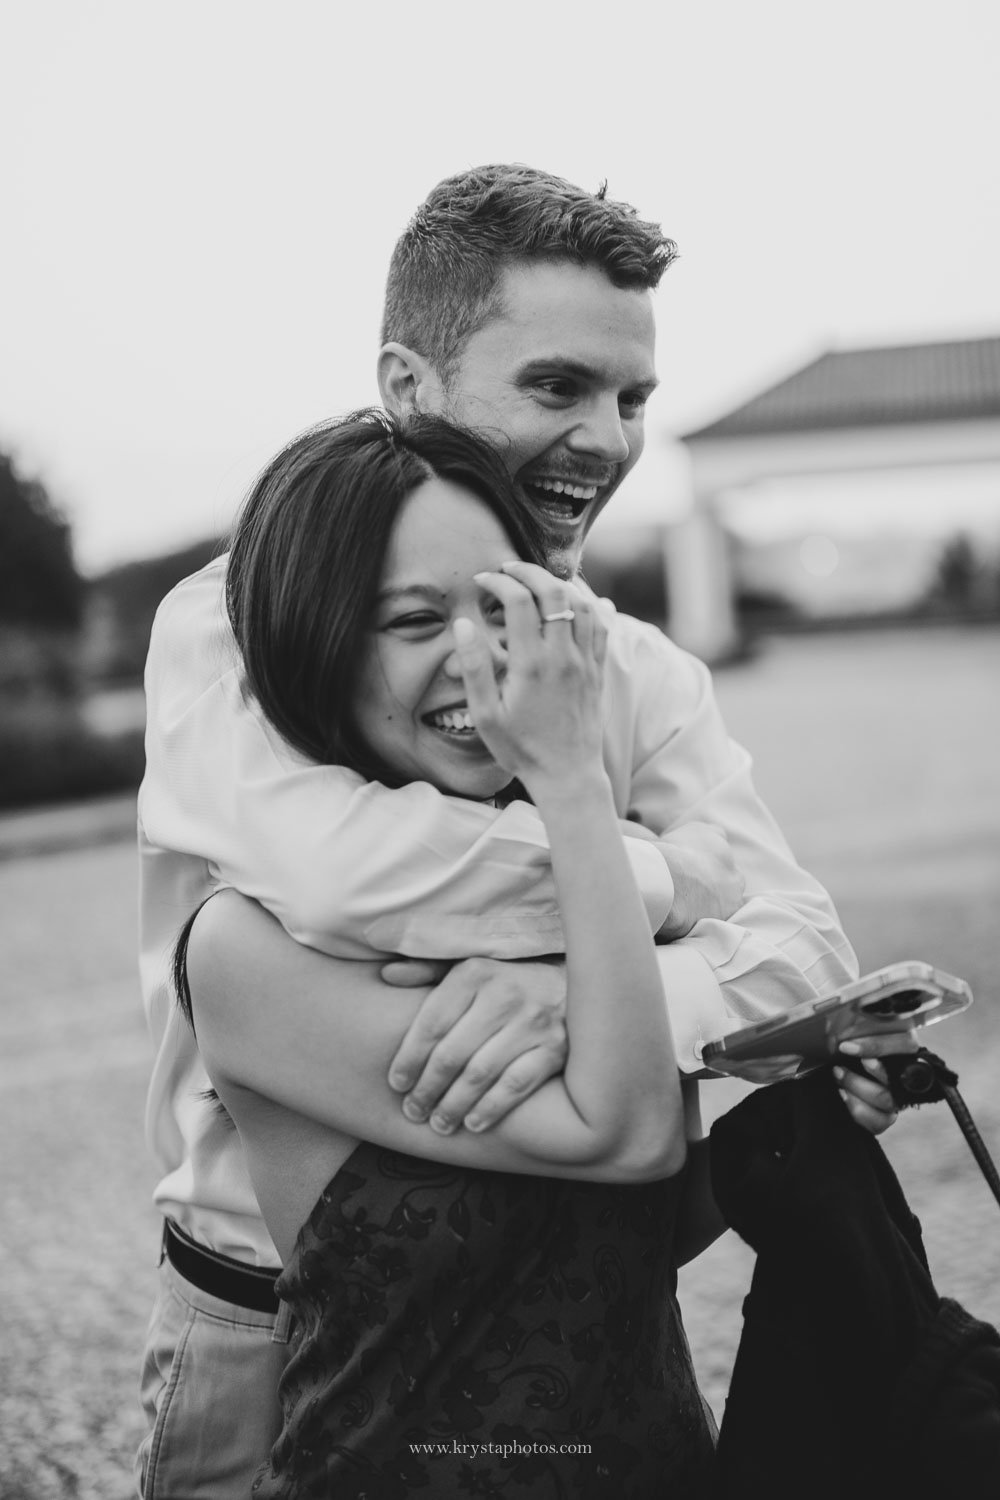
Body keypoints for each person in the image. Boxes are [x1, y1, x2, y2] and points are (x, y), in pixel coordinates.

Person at [135, 165, 861, 1497]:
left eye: (631, 397)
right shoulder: (242, 620)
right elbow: (347, 880)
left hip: (577, 1303)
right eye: (557, 387)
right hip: (272, 1310)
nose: (606, 436)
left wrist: (583, 985)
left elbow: (811, 951)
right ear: (410, 387)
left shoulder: (640, 672)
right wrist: (658, 883)